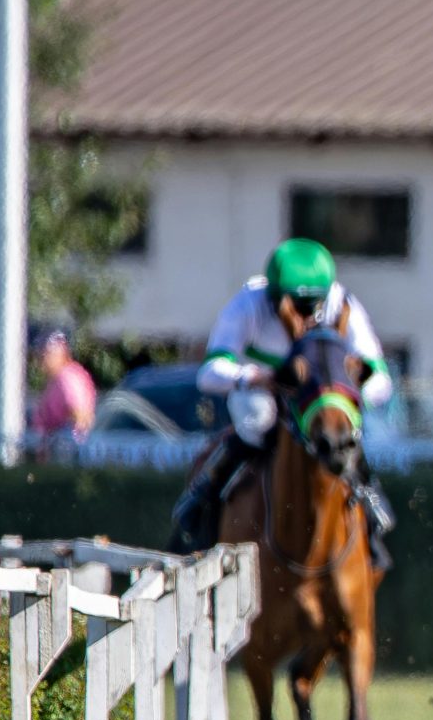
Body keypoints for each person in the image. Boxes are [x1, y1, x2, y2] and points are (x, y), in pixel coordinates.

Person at [169, 238, 399, 563]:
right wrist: (253, 377)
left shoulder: (340, 301)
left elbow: (380, 378)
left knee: (340, 430)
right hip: (265, 389)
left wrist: (351, 391)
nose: (305, 317)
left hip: (315, 399)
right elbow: (209, 372)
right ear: (276, 296)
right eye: (296, 306)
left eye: (312, 307)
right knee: (255, 422)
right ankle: (203, 498)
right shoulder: (249, 304)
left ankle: (370, 503)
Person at [29, 329, 98, 438]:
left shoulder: (67, 378)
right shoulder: (56, 378)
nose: (41, 359)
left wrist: (62, 445)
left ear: (61, 353)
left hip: (64, 451)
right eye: (40, 354)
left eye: (46, 353)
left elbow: (80, 420)